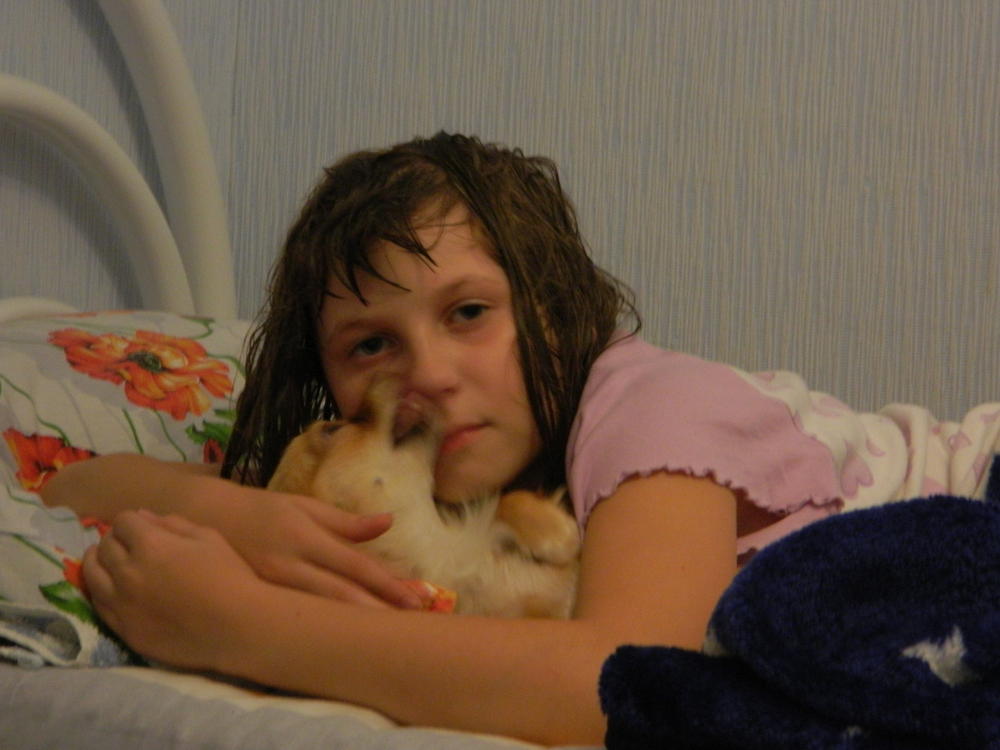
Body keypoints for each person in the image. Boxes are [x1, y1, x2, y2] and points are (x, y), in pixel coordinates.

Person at [41, 132, 1000, 746]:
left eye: (468, 313)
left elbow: (622, 681)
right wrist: (245, 519)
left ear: (552, 314)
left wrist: (244, 626)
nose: (426, 373)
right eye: (370, 344)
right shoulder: (393, 483)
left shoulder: (646, 404)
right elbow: (72, 485)